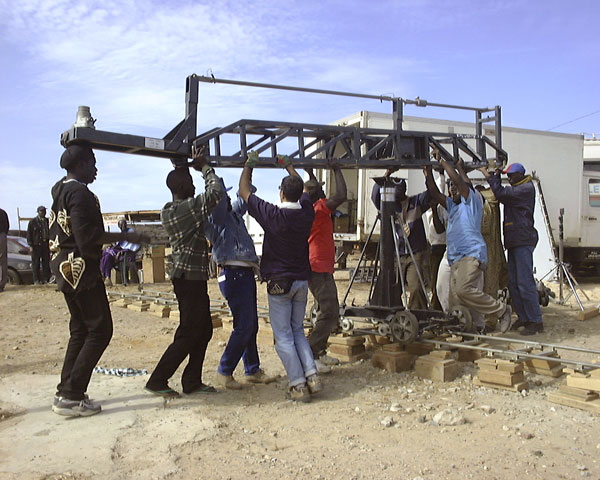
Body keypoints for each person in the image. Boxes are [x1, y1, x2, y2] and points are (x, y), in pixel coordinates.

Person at [50, 143, 148, 417]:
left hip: (64, 269)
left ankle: (65, 392)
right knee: (100, 330)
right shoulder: (79, 193)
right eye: (92, 162)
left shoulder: (59, 190)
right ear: (80, 165)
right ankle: (72, 395)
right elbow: (87, 237)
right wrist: (128, 237)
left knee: (81, 330)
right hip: (81, 271)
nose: (96, 168)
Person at [239, 152, 321, 403]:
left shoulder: (272, 214)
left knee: (283, 336)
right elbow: (307, 188)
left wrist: (248, 165)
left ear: (282, 194)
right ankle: (312, 377)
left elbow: (243, 191)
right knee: (297, 331)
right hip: (300, 281)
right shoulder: (307, 211)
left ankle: (297, 384)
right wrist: (290, 167)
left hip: (278, 283)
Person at [145, 146, 224, 397]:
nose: (194, 186)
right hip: (188, 279)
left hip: (190, 277)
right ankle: (158, 380)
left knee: (201, 330)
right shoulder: (184, 210)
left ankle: (192, 381)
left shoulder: (174, 208)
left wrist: (181, 163)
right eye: (190, 182)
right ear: (182, 188)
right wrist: (204, 167)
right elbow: (216, 192)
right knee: (191, 332)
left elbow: (190, 186)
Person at [204, 179, 276, 389]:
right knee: (244, 326)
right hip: (233, 275)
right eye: (222, 197)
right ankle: (224, 371)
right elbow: (219, 206)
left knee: (250, 324)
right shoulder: (214, 218)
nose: (227, 199)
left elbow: (245, 196)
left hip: (243, 274)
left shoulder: (233, 213)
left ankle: (252, 368)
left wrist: (248, 169)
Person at [424, 161, 512, 333]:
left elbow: (460, 182)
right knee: (453, 296)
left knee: (463, 289)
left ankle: (501, 310)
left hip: (471, 254)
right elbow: (434, 192)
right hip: (454, 257)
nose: (453, 190)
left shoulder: (472, 202)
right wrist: (427, 170)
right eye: (451, 189)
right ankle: (462, 329)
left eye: (456, 188)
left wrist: (444, 161)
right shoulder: (452, 206)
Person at [287, 164, 347, 374]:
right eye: (319, 189)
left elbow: (311, 189)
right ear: (314, 195)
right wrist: (337, 169)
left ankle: (318, 351)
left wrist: (305, 171)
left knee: (326, 309)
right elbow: (341, 194)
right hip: (317, 267)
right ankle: (311, 354)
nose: (323, 191)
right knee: (330, 311)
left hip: (318, 265)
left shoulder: (309, 208)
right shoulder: (319, 209)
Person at [479, 163, 543, 336]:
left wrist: (489, 173)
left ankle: (535, 321)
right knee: (513, 283)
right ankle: (523, 317)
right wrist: (496, 175)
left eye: (512, 175)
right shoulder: (518, 188)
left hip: (523, 240)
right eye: (508, 175)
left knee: (525, 282)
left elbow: (500, 193)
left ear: (521, 175)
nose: (510, 178)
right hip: (515, 241)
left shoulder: (525, 189)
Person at [371, 169, 431, 310]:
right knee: (392, 288)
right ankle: (396, 314)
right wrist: (386, 175)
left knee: (415, 286)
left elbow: (431, 193)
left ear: (404, 190)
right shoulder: (389, 207)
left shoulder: (416, 202)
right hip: (395, 255)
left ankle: (414, 315)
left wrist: (428, 173)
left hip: (414, 254)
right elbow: (375, 197)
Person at [100, 218, 141, 286]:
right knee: (106, 255)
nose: (122, 226)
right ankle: (107, 277)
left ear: (126, 224)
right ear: (118, 225)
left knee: (109, 253)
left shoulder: (130, 232)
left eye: (124, 224)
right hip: (119, 250)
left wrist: (122, 251)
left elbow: (133, 246)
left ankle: (104, 275)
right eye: (120, 224)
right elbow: (118, 244)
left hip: (127, 253)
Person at [27, 206, 51, 284]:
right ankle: (36, 280)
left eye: (44, 211)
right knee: (36, 263)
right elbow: (29, 235)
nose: (43, 213)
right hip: (36, 245)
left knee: (46, 263)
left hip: (45, 244)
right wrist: (31, 245)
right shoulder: (32, 222)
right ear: (38, 212)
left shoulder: (48, 221)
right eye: (41, 211)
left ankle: (46, 279)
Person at [0, 208, 8, 292]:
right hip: (2, 235)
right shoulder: (3, 212)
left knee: (2, 260)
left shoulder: (2, 212)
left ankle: (1, 284)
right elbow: (7, 226)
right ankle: (1, 284)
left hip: (1, 235)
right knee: (2, 261)